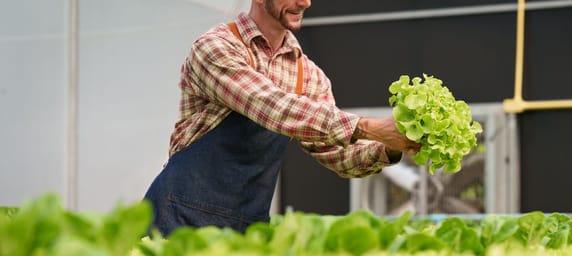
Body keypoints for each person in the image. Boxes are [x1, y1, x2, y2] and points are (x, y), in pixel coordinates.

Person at [144, 0, 420, 236]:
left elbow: (339, 155)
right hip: (178, 215)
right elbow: (272, 106)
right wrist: (369, 127)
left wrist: (392, 145)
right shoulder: (216, 47)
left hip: (246, 227)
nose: (305, 3)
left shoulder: (308, 75)